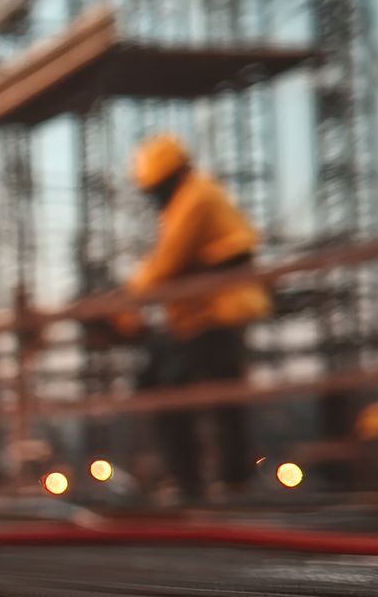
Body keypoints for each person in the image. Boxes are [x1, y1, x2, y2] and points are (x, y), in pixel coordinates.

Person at [114, 133, 271, 501]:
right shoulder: (193, 198)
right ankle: (227, 480)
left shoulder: (195, 198)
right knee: (216, 394)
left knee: (170, 387)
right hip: (206, 315)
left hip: (216, 313)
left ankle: (197, 481)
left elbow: (167, 261)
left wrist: (125, 302)